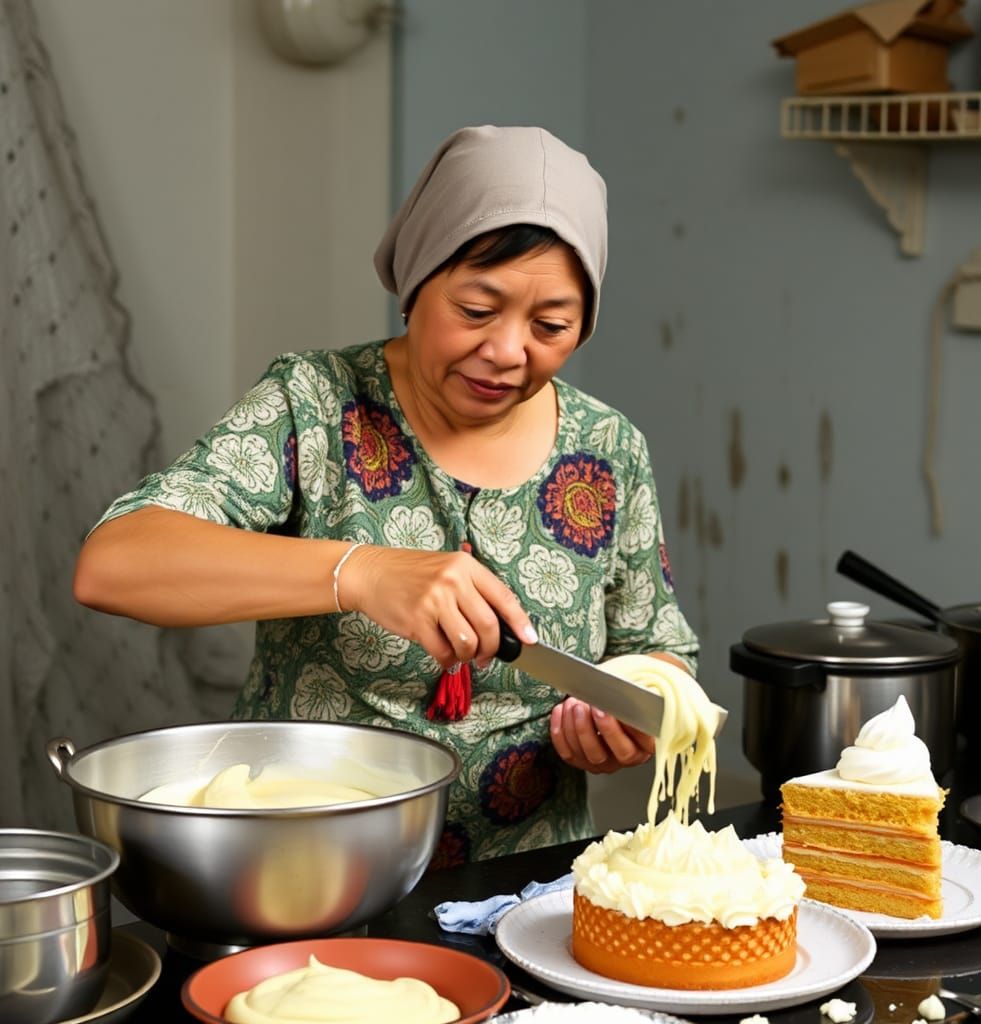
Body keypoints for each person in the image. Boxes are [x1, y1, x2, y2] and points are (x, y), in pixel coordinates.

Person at [73, 125, 698, 866]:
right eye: (475, 310)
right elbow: (113, 565)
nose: (507, 352)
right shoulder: (314, 403)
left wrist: (631, 715)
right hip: (309, 877)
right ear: (415, 283)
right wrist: (361, 573)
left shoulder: (608, 449)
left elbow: (659, 651)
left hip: (527, 889)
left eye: (551, 326)